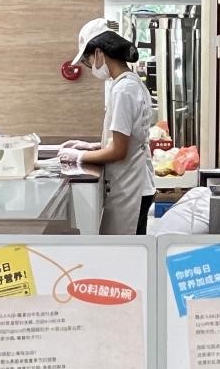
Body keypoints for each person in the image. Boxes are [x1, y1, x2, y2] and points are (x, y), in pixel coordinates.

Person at [60, 18, 156, 234]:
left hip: (131, 187)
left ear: (99, 53)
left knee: (124, 249)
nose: (90, 67)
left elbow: (119, 151)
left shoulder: (123, 90)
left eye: (87, 61)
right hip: (136, 183)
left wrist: (78, 157)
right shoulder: (130, 83)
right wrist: (91, 146)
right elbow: (127, 138)